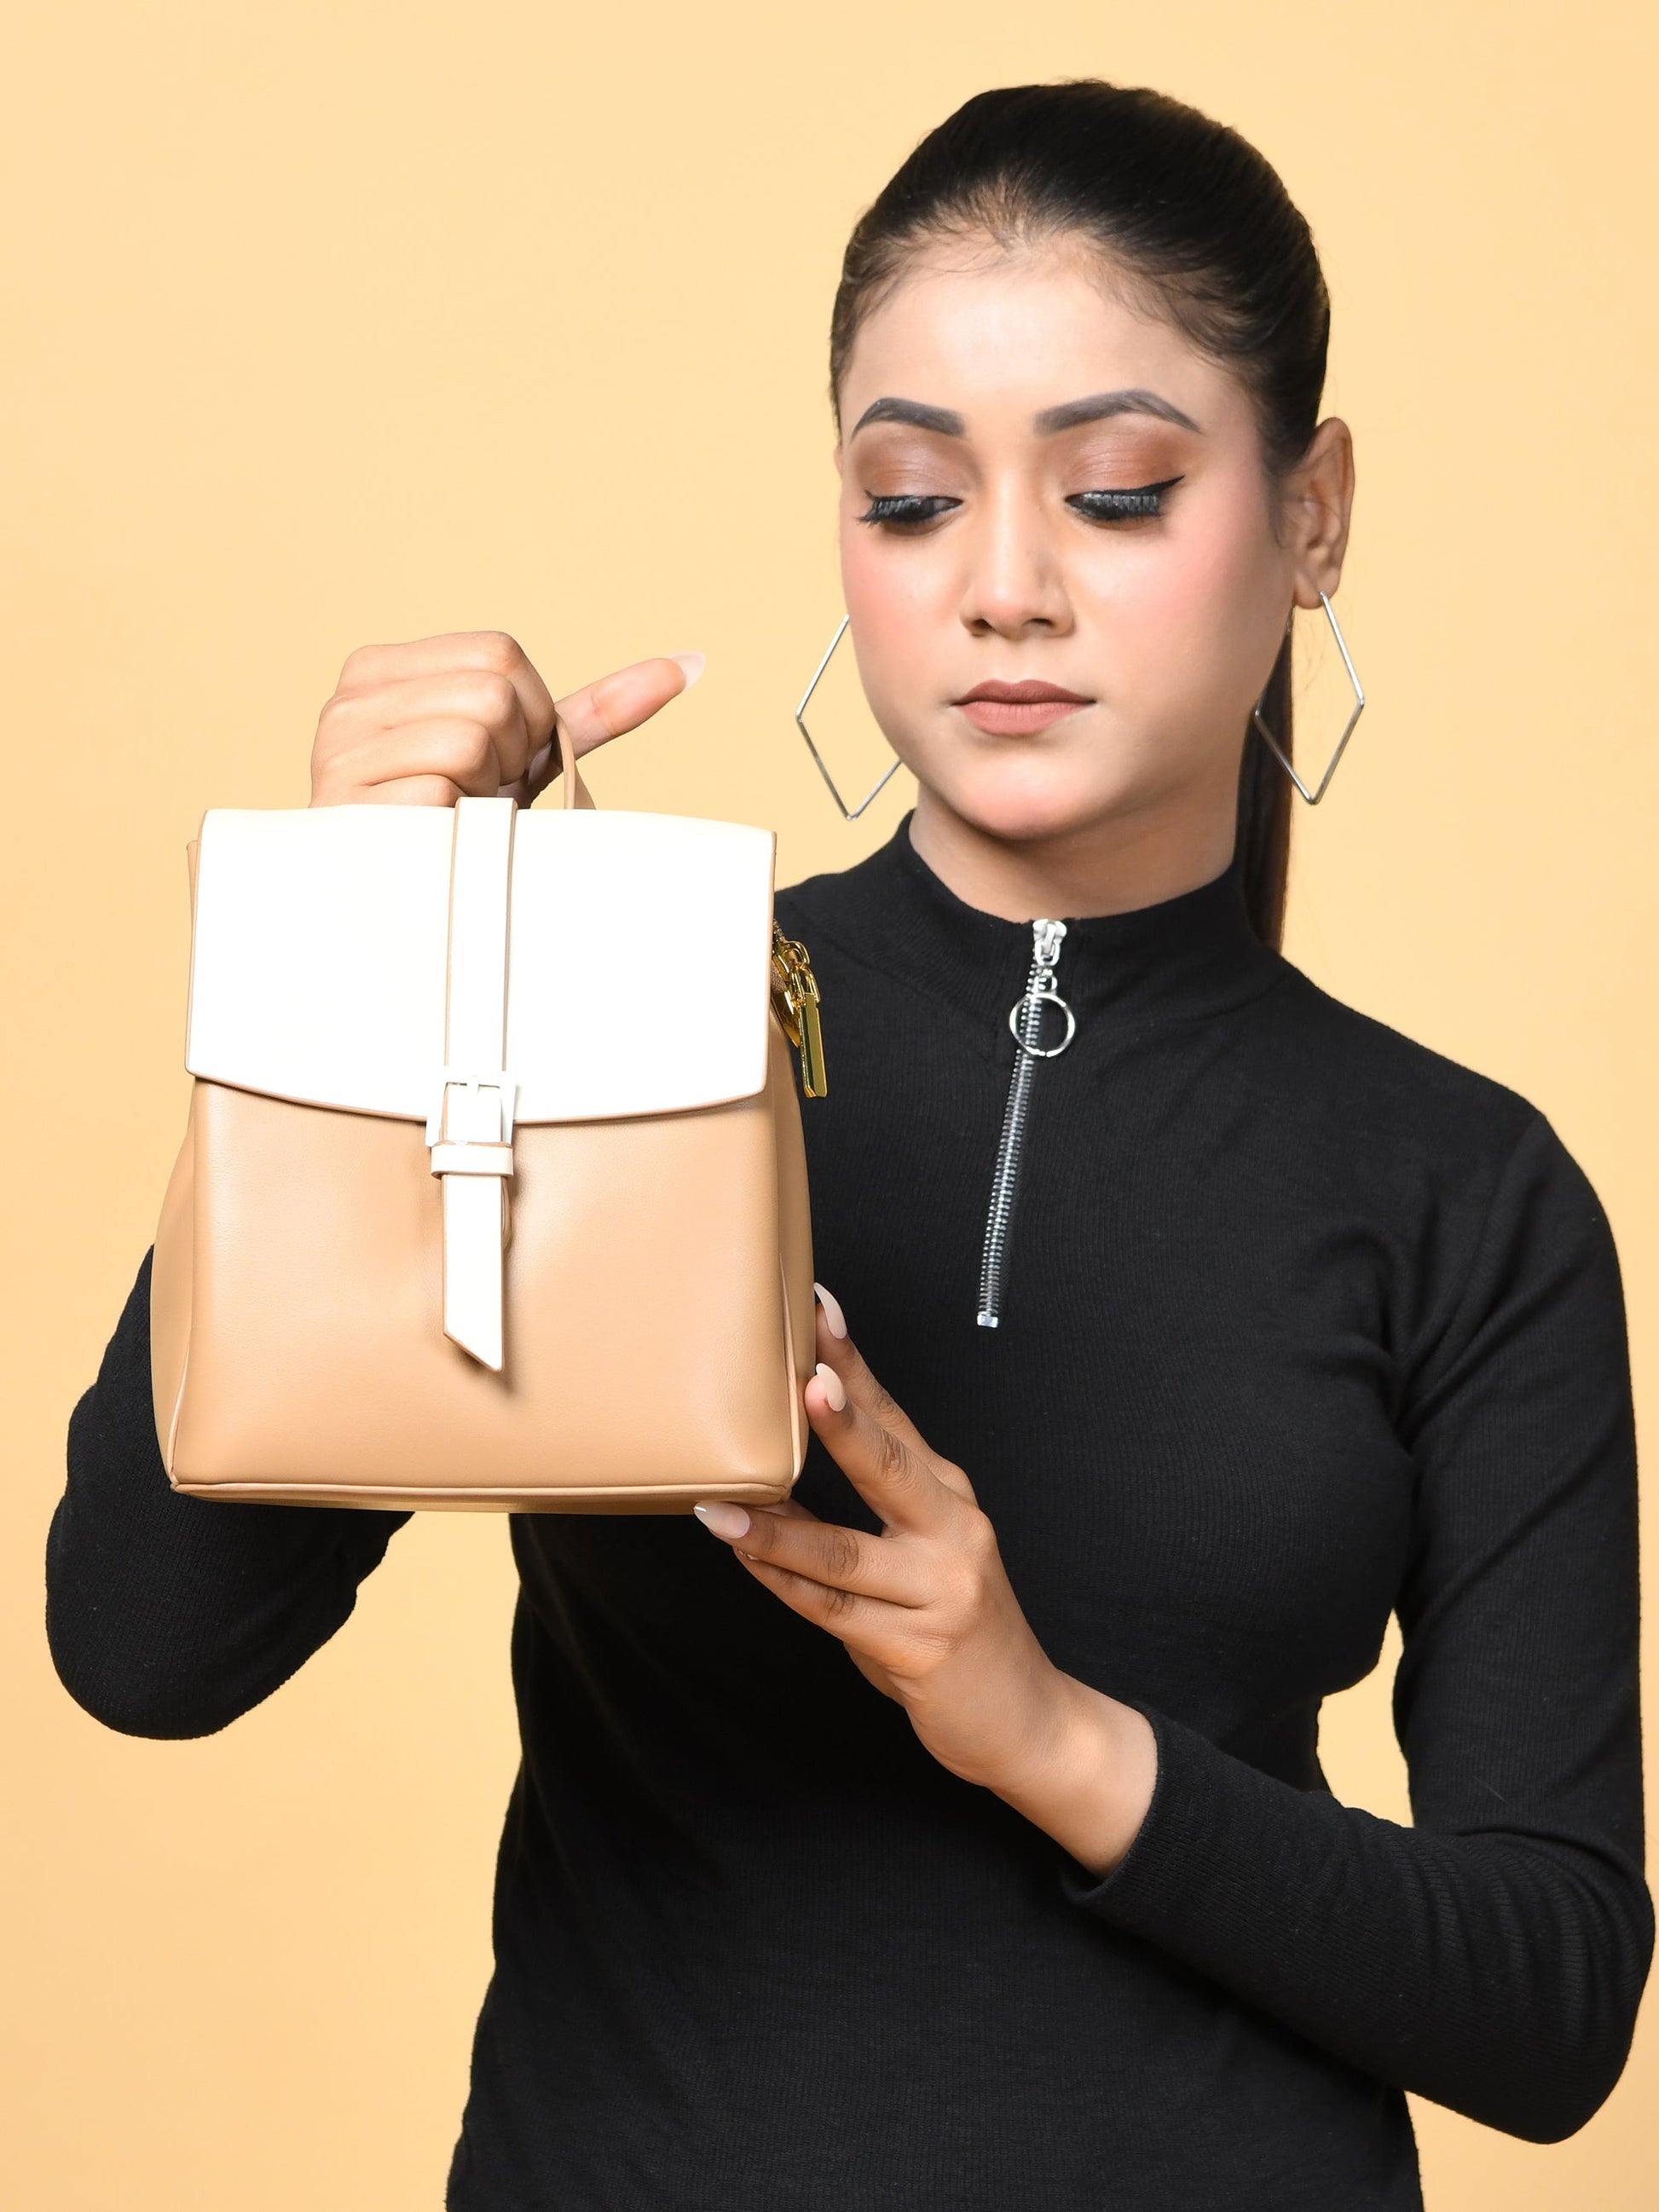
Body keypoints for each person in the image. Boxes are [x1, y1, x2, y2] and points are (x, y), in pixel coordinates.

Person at [46, 80, 1650, 2211]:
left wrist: (1051, 1735)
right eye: (912, 500)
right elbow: (143, 1648)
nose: (1003, 589)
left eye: (1114, 490)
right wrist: (383, 964)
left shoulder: (1465, 1188)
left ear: (1314, 512)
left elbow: (1549, 1997)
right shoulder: (628, 1024)